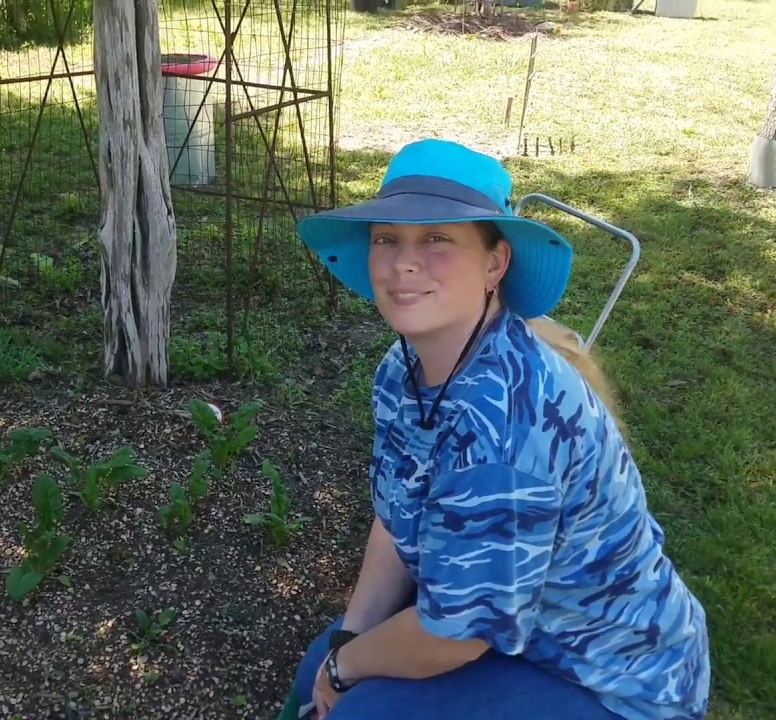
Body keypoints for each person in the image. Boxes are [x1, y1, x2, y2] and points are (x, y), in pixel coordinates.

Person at [281, 139, 711, 720]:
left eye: (437, 238)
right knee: (314, 674)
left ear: (494, 263)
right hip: (510, 624)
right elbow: (396, 513)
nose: (404, 262)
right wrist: (344, 641)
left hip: (609, 681)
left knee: (362, 710)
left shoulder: (506, 426)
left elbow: (456, 637)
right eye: (388, 238)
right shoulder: (401, 367)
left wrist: (348, 668)